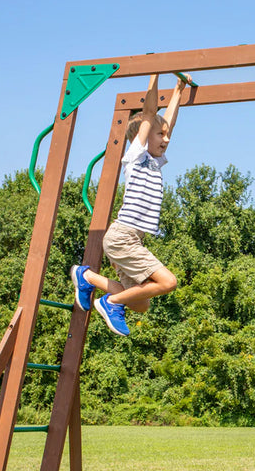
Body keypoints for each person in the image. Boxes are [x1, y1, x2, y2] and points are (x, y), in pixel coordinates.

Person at [71, 73, 191, 336]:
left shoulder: (155, 161)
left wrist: (178, 91)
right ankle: (109, 302)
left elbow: (166, 121)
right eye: (160, 135)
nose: (166, 139)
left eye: (166, 135)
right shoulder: (136, 157)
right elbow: (150, 114)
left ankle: (86, 277)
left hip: (131, 240)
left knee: (140, 303)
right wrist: (154, 74)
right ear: (143, 136)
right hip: (123, 237)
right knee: (168, 282)